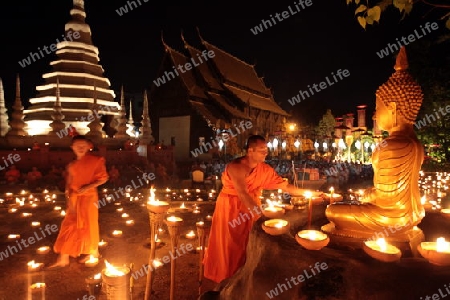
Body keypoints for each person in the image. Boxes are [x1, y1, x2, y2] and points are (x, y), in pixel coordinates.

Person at [203, 135, 312, 285]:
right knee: (231, 243)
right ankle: (226, 278)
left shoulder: (264, 169)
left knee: (250, 240)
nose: (265, 153)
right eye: (262, 150)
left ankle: (245, 276)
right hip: (231, 207)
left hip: (252, 205)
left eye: (266, 149)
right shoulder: (237, 167)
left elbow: (284, 186)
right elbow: (242, 192)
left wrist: (310, 193)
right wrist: (259, 215)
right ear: (250, 151)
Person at [48, 135, 109, 269]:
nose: (81, 148)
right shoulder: (72, 165)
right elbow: (68, 184)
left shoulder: (96, 160)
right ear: (72, 147)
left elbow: (104, 178)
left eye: (83, 145)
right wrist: (68, 199)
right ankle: (64, 257)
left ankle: (93, 252)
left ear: (88, 146)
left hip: (89, 198)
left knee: (89, 225)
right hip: (75, 198)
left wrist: (87, 187)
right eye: (77, 145)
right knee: (69, 224)